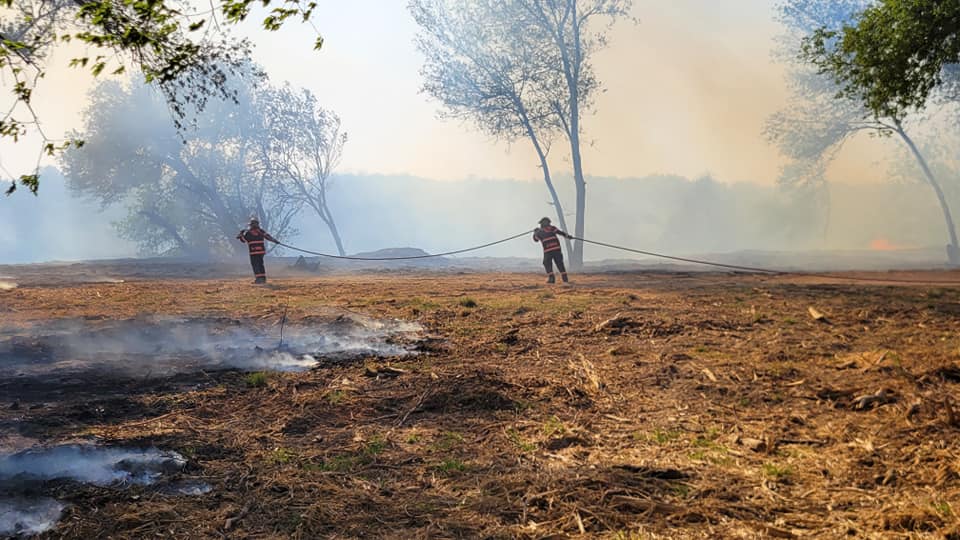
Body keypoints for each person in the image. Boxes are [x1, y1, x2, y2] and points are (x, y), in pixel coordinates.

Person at [237, 217, 278, 284]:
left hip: (253, 252)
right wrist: (275, 241)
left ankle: (259, 279)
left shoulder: (248, 233)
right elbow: (268, 237)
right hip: (261, 252)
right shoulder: (261, 231)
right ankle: (263, 279)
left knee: (255, 265)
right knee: (260, 264)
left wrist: (241, 235)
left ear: (251, 225)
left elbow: (244, 240)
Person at [533, 217, 572, 284]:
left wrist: (535, 232)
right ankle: (565, 279)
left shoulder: (539, 232)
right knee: (560, 264)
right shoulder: (552, 228)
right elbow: (560, 233)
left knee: (547, 263)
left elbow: (535, 239)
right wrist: (568, 236)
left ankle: (551, 279)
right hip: (557, 249)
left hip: (548, 251)